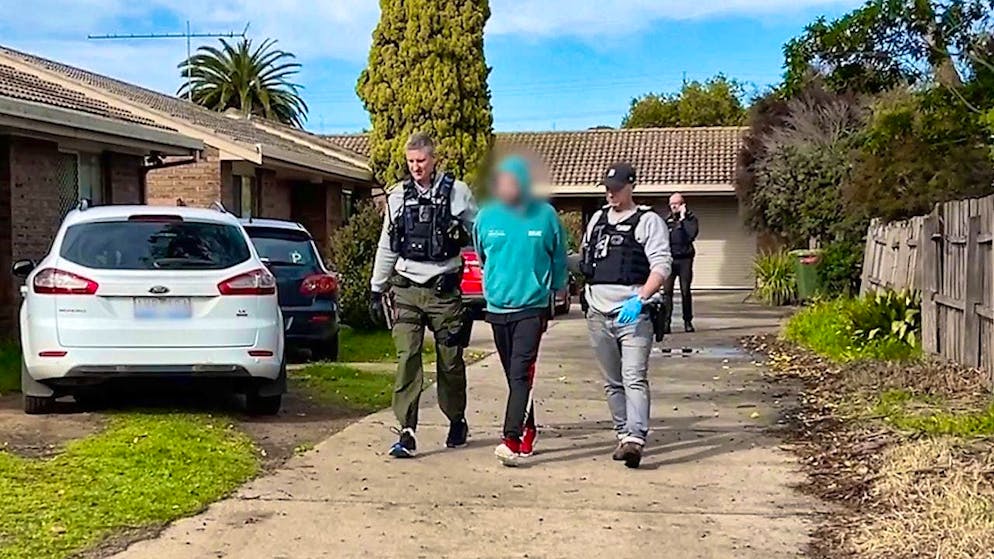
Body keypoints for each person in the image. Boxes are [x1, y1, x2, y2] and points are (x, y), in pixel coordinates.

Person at [369, 132, 477, 458]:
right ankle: (406, 430)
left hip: (444, 292)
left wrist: (484, 264)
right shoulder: (398, 196)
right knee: (407, 359)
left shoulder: (457, 193)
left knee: (450, 362)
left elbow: (480, 233)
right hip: (406, 289)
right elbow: (387, 245)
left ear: (434, 160)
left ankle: (456, 418)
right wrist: (376, 287)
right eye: (411, 162)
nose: (416, 167)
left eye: (422, 161)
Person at [473, 155, 568, 467]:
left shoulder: (545, 216)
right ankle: (529, 429)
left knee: (520, 371)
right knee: (514, 377)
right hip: (498, 308)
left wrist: (556, 287)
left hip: (532, 306)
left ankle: (510, 439)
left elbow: (558, 257)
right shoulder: (486, 217)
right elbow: (483, 257)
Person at [580, 162, 671, 469]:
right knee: (612, 380)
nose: (611, 194)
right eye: (607, 189)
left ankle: (635, 438)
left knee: (633, 377)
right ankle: (622, 433)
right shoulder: (596, 220)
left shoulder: (649, 221)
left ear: (631, 186)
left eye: (617, 189)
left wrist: (642, 297)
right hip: (597, 311)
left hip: (633, 313)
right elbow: (586, 259)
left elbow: (661, 266)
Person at [663, 193, 699, 333]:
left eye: (676, 204)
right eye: (671, 204)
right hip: (671, 259)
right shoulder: (667, 221)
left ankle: (687, 321)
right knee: (667, 293)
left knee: (685, 291)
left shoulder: (691, 219)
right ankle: (666, 323)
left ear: (682, 204)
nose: (673, 207)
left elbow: (691, 235)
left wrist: (683, 219)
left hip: (685, 259)